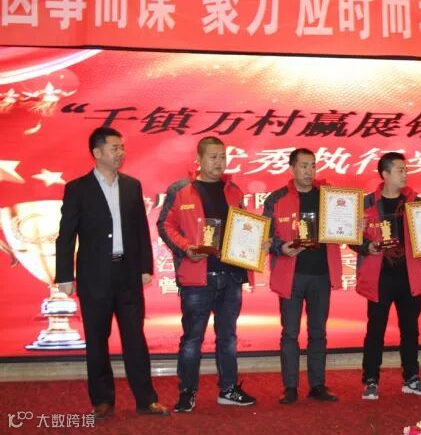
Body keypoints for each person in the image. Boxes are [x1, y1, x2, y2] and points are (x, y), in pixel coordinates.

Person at [55, 127, 169, 419]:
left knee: (135, 338)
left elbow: (141, 230)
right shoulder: (77, 188)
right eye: (114, 148)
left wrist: (145, 267)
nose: (121, 153)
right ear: (97, 152)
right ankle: (102, 400)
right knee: (96, 340)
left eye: (122, 148)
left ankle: (146, 399)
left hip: (128, 274)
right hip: (94, 276)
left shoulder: (132, 186)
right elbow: (66, 235)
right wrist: (65, 276)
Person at [157, 136, 257, 412]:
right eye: (213, 157)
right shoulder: (181, 189)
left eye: (223, 157)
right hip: (197, 278)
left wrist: (255, 243)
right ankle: (187, 392)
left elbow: (244, 228)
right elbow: (165, 225)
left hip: (232, 275)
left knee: (228, 337)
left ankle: (228, 389)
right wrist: (186, 248)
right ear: (198, 160)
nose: (219, 162)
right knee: (192, 339)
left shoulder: (233, 191)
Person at [262, 148, 342, 404]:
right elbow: (266, 235)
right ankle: (290, 387)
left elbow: (344, 226)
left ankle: (317, 385)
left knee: (318, 332)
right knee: (290, 333)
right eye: (304, 166)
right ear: (292, 169)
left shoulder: (329, 196)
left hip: (321, 274)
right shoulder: (276, 198)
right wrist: (280, 247)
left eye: (313, 166)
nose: (309, 171)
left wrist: (355, 226)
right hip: (291, 275)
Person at [351, 152, 421, 400]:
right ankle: (371, 379)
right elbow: (351, 237)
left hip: (408, 276)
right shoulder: (366, 203)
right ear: (385, 174)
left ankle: (412, 377)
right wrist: (366, 246)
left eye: (406, 170)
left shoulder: (416, 202)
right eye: (400, 170)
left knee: (410, 329)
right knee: (375, 330)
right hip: (379, 277)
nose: (405, 174)